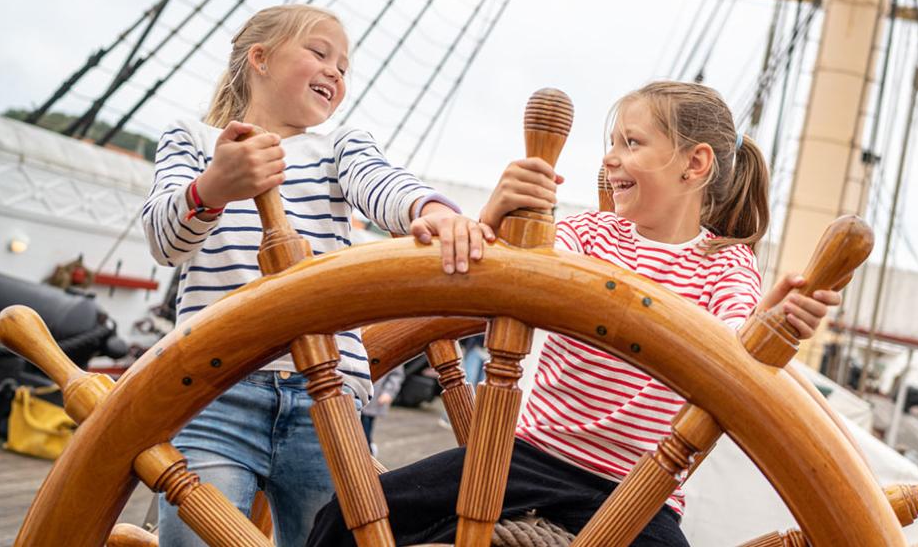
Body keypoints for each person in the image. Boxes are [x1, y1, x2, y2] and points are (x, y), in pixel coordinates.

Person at [306, 80, 842, 546]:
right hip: (525, 459)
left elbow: (736, 352)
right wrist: (496, 213)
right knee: (347, 519)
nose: (610, 157)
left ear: (695, 164)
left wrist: (772, 326)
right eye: (612, 142)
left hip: (637, 493)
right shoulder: (587, 236)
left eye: (631, 143)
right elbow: (501, 275)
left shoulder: (724, 265)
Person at [140, 4, 490, 546]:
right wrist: (213, 187)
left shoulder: (339, 146)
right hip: (215, 390)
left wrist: (431, 210)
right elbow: (166, 242)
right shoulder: (194, 141)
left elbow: (381, 184)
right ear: (260, 58)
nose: (335, 72)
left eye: (344, 67)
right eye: (319, 53)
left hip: (325, 397)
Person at [361, 366, 407, 455]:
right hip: (355, 396)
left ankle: (368, 453)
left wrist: (388, 392)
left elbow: (397, 375)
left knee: (365, 431)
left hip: (373, 399)